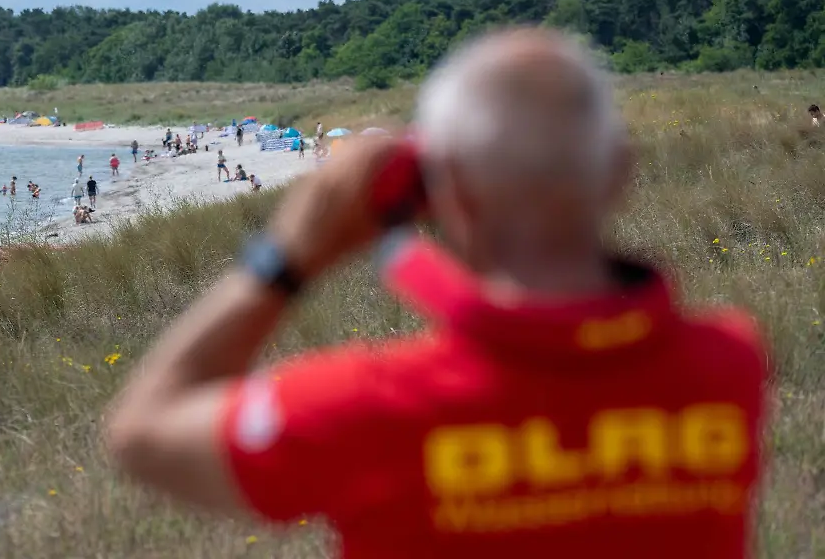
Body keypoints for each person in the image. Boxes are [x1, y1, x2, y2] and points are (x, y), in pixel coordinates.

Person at [104, 28, 769, 559]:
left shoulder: (372, 407)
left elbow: (139, 432)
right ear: (620, 172)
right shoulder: (731, 366)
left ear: (442, 189)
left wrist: (289, 257)